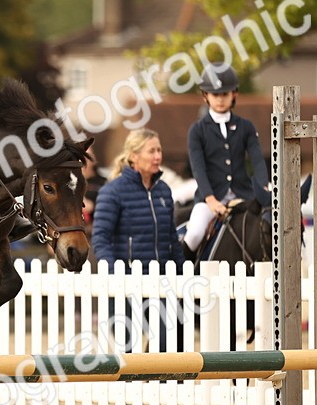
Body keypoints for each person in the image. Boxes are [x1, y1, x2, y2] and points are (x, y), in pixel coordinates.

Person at [182, 64, 269, 259]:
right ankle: (183, 274)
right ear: (205, 96)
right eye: (215, 95)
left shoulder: (245, 126)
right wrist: (211, 200)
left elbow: (257, 160)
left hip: (243, 195)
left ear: (234, 94)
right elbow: (198, 169)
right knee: (195, 233)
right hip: (210, 198)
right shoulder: (197, 130)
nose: (220, 99)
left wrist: (262, 189)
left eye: (225, 94)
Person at [92, 129, 184, 268]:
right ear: (134, 156)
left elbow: (171, 237)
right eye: (151, 151)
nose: (158, 156)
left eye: (159, 150)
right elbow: (100, 239)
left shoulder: (164, 190)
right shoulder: (112, 192)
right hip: (130, 280)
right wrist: (113, 273)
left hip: (164, 279)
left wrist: (182, 272)